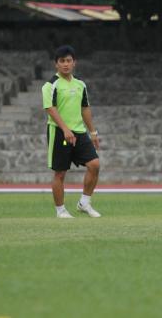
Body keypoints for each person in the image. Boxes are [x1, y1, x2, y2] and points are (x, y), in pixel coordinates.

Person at [42, 45, 101, 219]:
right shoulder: (50, 85)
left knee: (95, 165)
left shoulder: (80, 84)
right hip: (59, 132)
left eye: (69, 61)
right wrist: (65, 129)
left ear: (74, 63)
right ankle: (61, 210)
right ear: (56, 64)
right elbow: (50, 109)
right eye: (62, 61)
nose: (66, 64)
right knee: (60, 172)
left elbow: (85, 108)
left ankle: (84, 203)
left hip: (79, 132)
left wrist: (93, 132)